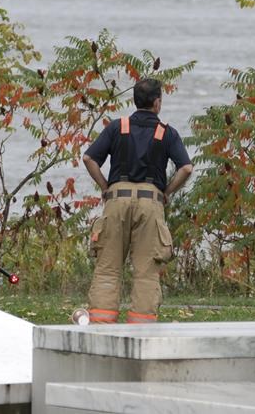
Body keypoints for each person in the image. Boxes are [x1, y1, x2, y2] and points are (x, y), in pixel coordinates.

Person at [76, 77, 194, 324]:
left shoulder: (118, 126)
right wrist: (166, 192)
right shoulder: (167, 133)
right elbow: (186, 168)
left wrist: (106, 187)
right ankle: (141, 327)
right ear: (157, 103)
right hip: (150, 203)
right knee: (146, 271)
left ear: (135, 101)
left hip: (117, 200)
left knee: (108, 268)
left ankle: (100, 323)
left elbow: (89, 159)